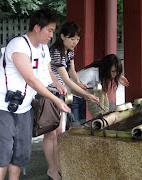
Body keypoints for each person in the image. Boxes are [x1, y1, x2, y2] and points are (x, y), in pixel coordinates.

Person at [0, 7, 70, 180]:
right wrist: (56, 100)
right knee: (2, 152)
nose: (51, 35)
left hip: (24, 108)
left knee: (20, 153)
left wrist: (57, 84)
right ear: (37, 27)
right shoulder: (18, 45)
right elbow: (31, 79)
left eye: (53, 31)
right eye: (49, 30)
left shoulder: (44, 48)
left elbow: (48, 73)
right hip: (2, 107)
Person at [42, 22, 99, 180]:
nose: (75, 42)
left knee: (59, 131)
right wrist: (85, 95)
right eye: (72, 38)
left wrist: (80, 83)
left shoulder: (69, 51)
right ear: (62, 36)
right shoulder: (56, 51)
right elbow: (66, 80)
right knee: (51, 133)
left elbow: (72, 71)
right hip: (49, 92)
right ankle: (51, 169)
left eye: (78, 39)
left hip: (60, 92)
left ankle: (57, 166)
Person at [69, 54, 129, 121]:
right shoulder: (90, 73)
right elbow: (73, 89)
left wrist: (118, 77)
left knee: (82, 122)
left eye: (117, 72)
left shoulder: (104, 74)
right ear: (106, 69)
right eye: (113, 71)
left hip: (81, 97)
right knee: (75, 124)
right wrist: (86, 95)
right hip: (70, 96)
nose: (115, 74)